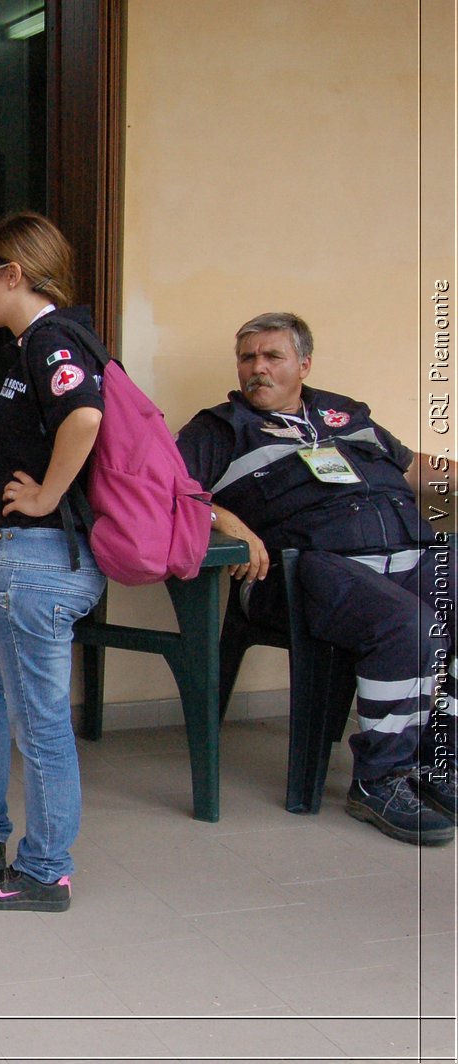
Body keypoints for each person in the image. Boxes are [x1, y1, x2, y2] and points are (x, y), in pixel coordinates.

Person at [176, 312, 454, 845]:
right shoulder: (220, 428)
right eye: (247, 358)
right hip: (304, 570)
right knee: (407, 625)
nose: (257, 368)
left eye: (272, 356)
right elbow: (165, 488)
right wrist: (227, 521)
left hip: (406, 551)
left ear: (303, 364)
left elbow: (413, 467)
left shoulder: (346, 414)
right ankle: (380, 780)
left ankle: (445, 762)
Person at [0, 211, 110, 913]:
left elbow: (84, 417)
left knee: (40, 723)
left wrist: (47, 495)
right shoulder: (32, 346)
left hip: (40, 565)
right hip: (26, 566)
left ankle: (45, 871)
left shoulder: (53, 341)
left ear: (13, 274)